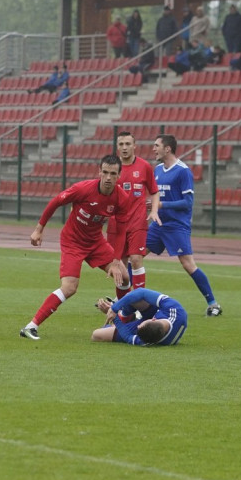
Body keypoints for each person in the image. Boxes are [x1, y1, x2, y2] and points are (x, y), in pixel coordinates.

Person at [20, 155, 129, 340]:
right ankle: (31, 327)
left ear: (119, 176)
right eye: (105, 172)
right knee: (70, 288)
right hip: (73, 242)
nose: (108, 177)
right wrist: (39, 229)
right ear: (99, 172)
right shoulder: (83, 189)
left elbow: (121, 231)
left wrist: (117, 261)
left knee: (124, 276)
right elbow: (56, 201)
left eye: (113, 173)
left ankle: (124, 318)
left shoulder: (121, 198)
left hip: (96, 242)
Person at [147, 134, 221, 316]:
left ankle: (213, 304)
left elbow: (187, 203)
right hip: (158, 224)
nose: (153, 149)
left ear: (168, 149)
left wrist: (161, 204)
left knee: (188, 264)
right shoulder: (156, 170)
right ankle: (127, 298)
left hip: (176, 225)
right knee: (135, 255)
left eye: (157, 146)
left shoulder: (183, 171)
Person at [108, 131, 160, 300]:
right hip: (116, 224)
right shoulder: (112, 169)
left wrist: (153, 211)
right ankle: (123, 304)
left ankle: (140, 301)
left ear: (134, 146)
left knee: (136, 259)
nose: (124, 148)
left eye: (127, 144)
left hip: (137, 222)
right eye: (121, 144)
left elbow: (154, 191)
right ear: (117, 147)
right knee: (119, 265)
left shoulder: (144, 166)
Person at [91, 288, 188, 346]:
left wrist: (114, 318)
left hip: (153, 323)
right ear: (154, 319)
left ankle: (123, 320)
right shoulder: (175, 309)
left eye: (138, 327)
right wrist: (114, 309)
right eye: (140, 325)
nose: (138, 326)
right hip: (155, 312)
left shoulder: (149, 340)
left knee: (96, 335)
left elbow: (128, 337)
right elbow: (141, 292)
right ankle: (125, 316)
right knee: (132, 296)